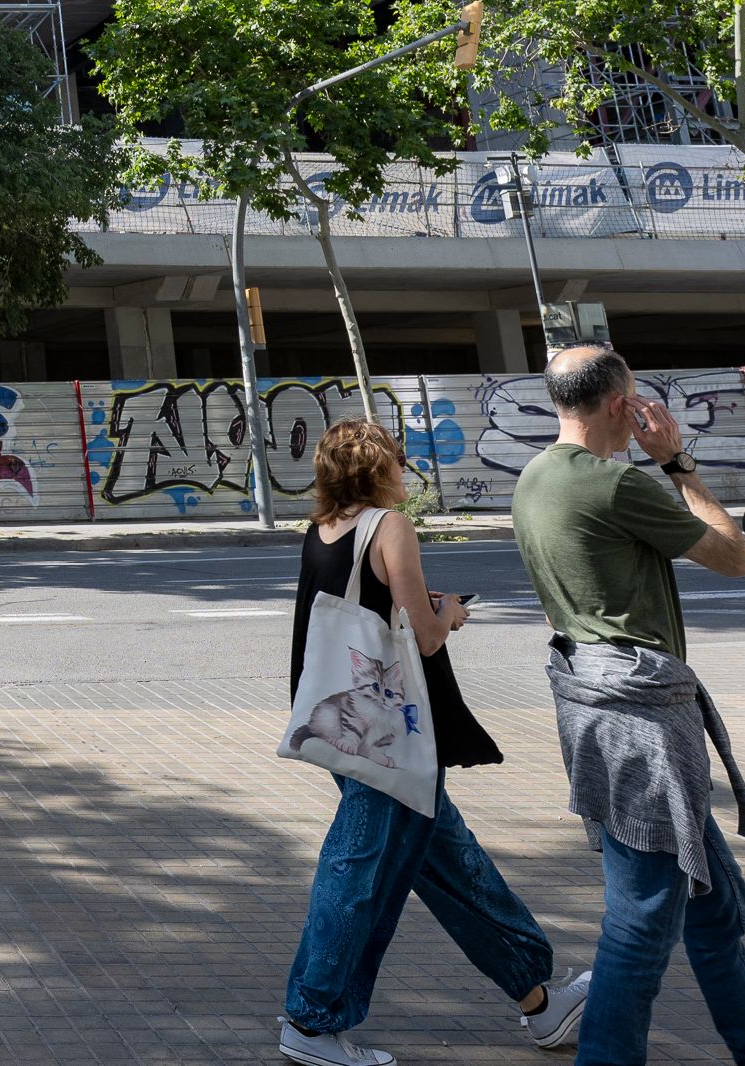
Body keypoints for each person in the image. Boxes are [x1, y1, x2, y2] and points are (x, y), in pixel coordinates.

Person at [512, 347, 745, 1066]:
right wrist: (677, 464)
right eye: (637, 400)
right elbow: (735, 556)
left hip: (595, 703)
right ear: (620, 406)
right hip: (643, 723)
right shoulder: (616, 486)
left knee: (712, 911)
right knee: (640, 921)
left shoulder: (534, 477)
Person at [279, 419, 593, 1066]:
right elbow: (423, 636)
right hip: (386, 734)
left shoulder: (324, 529)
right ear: (379, 468)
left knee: (451, 862)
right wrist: (447, 613)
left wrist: (423, 603)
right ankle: (312, 1022)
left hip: (348, 723)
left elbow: (361, 610)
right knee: (356, 868)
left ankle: (538, 998)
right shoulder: (389, 525)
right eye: (398, 458)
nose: (405, 467)